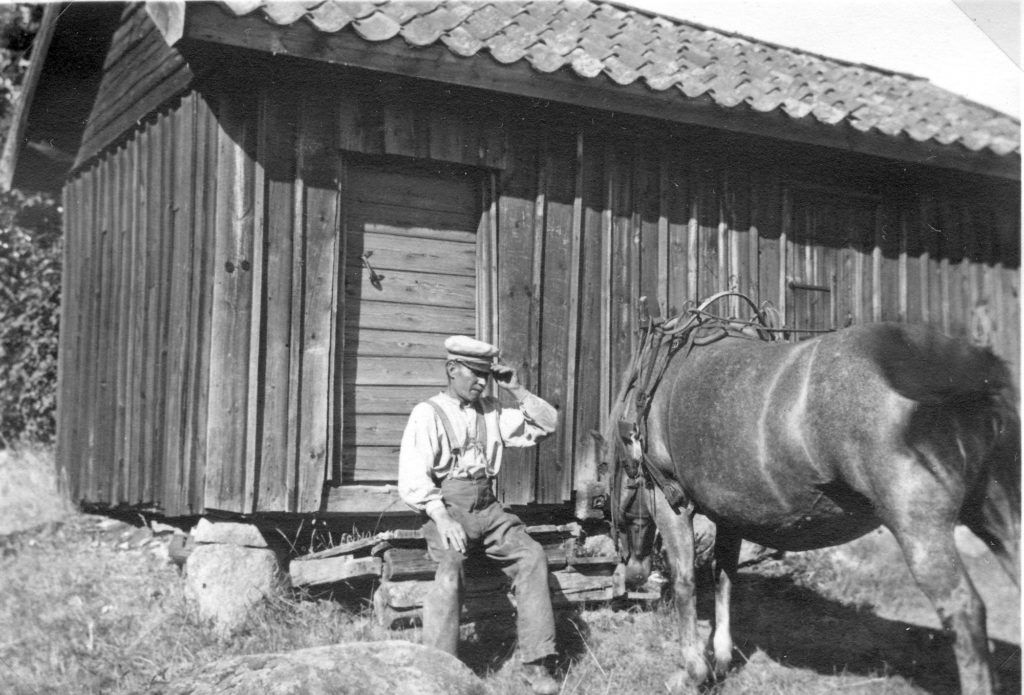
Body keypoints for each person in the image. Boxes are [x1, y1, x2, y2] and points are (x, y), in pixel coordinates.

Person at [397, 335, 560, 695]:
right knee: (450, 569)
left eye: (487, 375)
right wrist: (441, 517)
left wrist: (516, 389)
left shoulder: (493, 412)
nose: (482, 382)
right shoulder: (428, 413)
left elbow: (547, 424)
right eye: (474, 374)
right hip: (448, 507)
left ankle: (536, 665)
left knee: (532, 555)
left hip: (489, 507)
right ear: (452, 369)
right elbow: (413, 478)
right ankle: (440, 671)